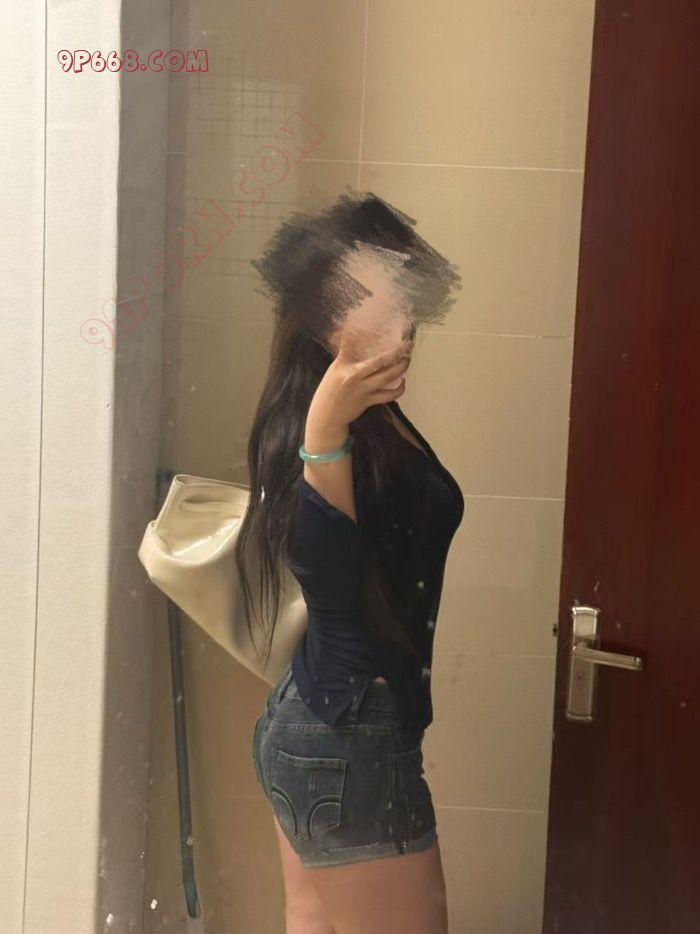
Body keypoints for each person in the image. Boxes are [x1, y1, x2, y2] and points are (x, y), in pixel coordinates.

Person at [242, 190, 463, 933]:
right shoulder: (319, 423)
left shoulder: (373, 412)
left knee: (311, 923)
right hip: (348, 738)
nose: (402, 310)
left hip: (324, 726)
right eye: (374, 292)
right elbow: (327, 575)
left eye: (404, 286)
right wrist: (324, 427)